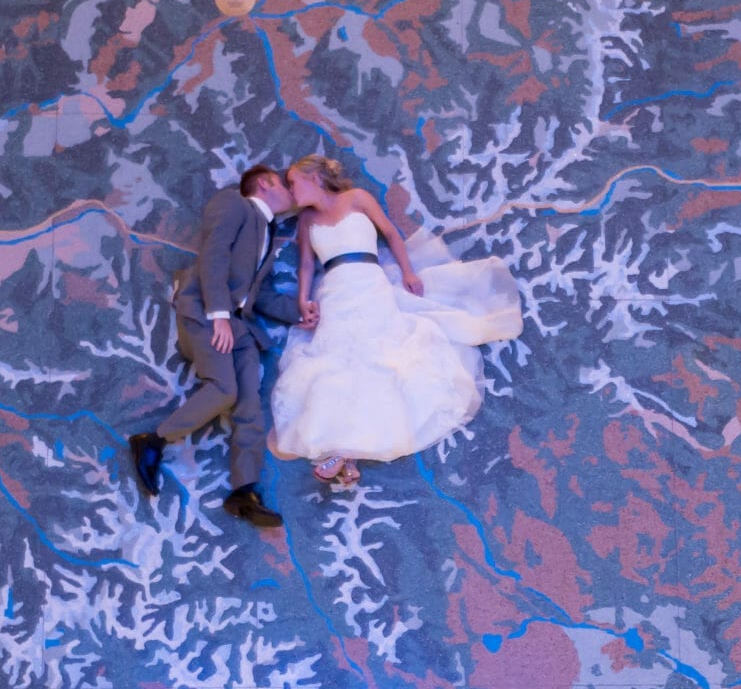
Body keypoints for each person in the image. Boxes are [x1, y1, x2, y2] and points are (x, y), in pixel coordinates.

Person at [267, 156, 523, 491]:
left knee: (377, 358)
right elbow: (305, 264)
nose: (290, 190)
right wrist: (303, 301)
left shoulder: (357, 198)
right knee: (338, 363)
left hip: (369, 284)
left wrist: (408, 272)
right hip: (334, 292)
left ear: (314, 178)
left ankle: (345, 454)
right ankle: (345, 457)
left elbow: (389, 232)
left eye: (293, 182)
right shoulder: (307, 220)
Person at [127, 164, 300, 528]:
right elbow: (214, 254)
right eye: (286, 184)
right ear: (266, 183)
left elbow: (258, 294)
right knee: (224, 389)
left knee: (249, 407)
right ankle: (153, 440)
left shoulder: (268, 231)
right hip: (207, 313)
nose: (291, 191)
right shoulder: (233, 203)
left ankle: (244, 491)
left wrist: (301, 314)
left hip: (240, 326)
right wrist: (218, 314)